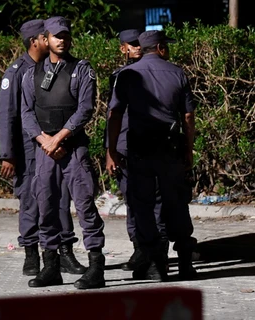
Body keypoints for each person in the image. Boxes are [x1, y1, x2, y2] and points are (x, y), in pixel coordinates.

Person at [20, 16, 106, 289]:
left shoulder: (82, 69)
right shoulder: (30, 74)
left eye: (66, 35)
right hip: (45, 151)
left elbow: (85, 109)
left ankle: (96, 268)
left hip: (73, 149)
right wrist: (45, 140)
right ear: (45, 39)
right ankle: (51, 267)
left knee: (84, 206)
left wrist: (59, 138)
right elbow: (25, 113)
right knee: (45, 206)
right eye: (57, 36)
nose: (62, 40)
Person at [0, 18, 85, 277]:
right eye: (45, 37)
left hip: (54, 146)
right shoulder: (16, 72)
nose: (51, 40)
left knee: (60, 199)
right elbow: (8, 115)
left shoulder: (54, 68)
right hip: (27, 150)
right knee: (31, 201)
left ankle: (64, 253)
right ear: (35, 41)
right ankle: (32, 255)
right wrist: (8, 154)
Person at [107, 30, 197, 281]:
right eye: (166, 46)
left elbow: (114, 115)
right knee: (176, 204)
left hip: (138, 150)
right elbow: (188, 117)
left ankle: (157, 264)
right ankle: (186, 264)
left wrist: (111, 150)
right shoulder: (177, 72)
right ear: (159, 48)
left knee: (143, 207)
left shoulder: (125, 75)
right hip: (169, 150)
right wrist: (188, 150)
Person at [105, 29, 170, 272]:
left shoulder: (154, 72)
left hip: (148, 144)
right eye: (131, 45)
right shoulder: (120, 76)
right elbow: (112, 116)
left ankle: (158, 251)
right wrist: (109, 150)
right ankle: (140, 249)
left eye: (139, 44)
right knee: (132, 200)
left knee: (156, 202)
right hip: (124, 144)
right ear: (123, 48)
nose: (136, 48)